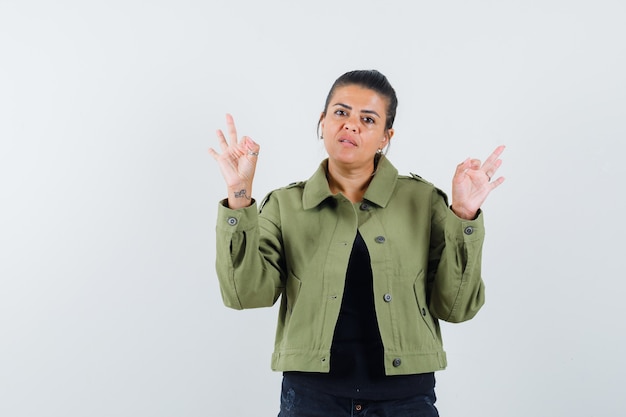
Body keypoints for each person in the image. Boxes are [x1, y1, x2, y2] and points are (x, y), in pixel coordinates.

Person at [209, 69, 505, 417]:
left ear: (385, 136)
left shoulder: (424, 202)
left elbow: (457, 307)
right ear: (322, 122)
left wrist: (465, 217)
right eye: (340, 112)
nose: (350, 125)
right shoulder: (285, 205)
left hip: (405, 400)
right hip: (310, 399)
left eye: (367, 118)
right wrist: (239, 197)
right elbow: (245, 294)